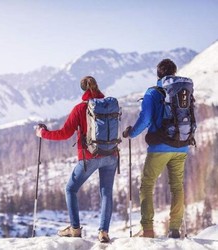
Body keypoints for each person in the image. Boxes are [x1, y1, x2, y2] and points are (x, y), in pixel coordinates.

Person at [35, 76, 118, 243]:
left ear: (83, 90)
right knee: (106, 192)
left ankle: (74, 229)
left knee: (71, 189)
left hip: (90, 157)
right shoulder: (110, 106)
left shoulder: (80, 109)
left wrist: (42, 133)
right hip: (111, 155)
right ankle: (103, 232)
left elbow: (64, 133)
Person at [123, 59, 189, 238]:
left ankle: (148, 230)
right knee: (177, 186)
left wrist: (131, 133)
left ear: (158, 74)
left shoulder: (152, 92)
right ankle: (175, 229)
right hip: (182, 146)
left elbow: (145, 119)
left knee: (147, 185)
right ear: (174, 73)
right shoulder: (183, 91)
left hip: (160, 146)